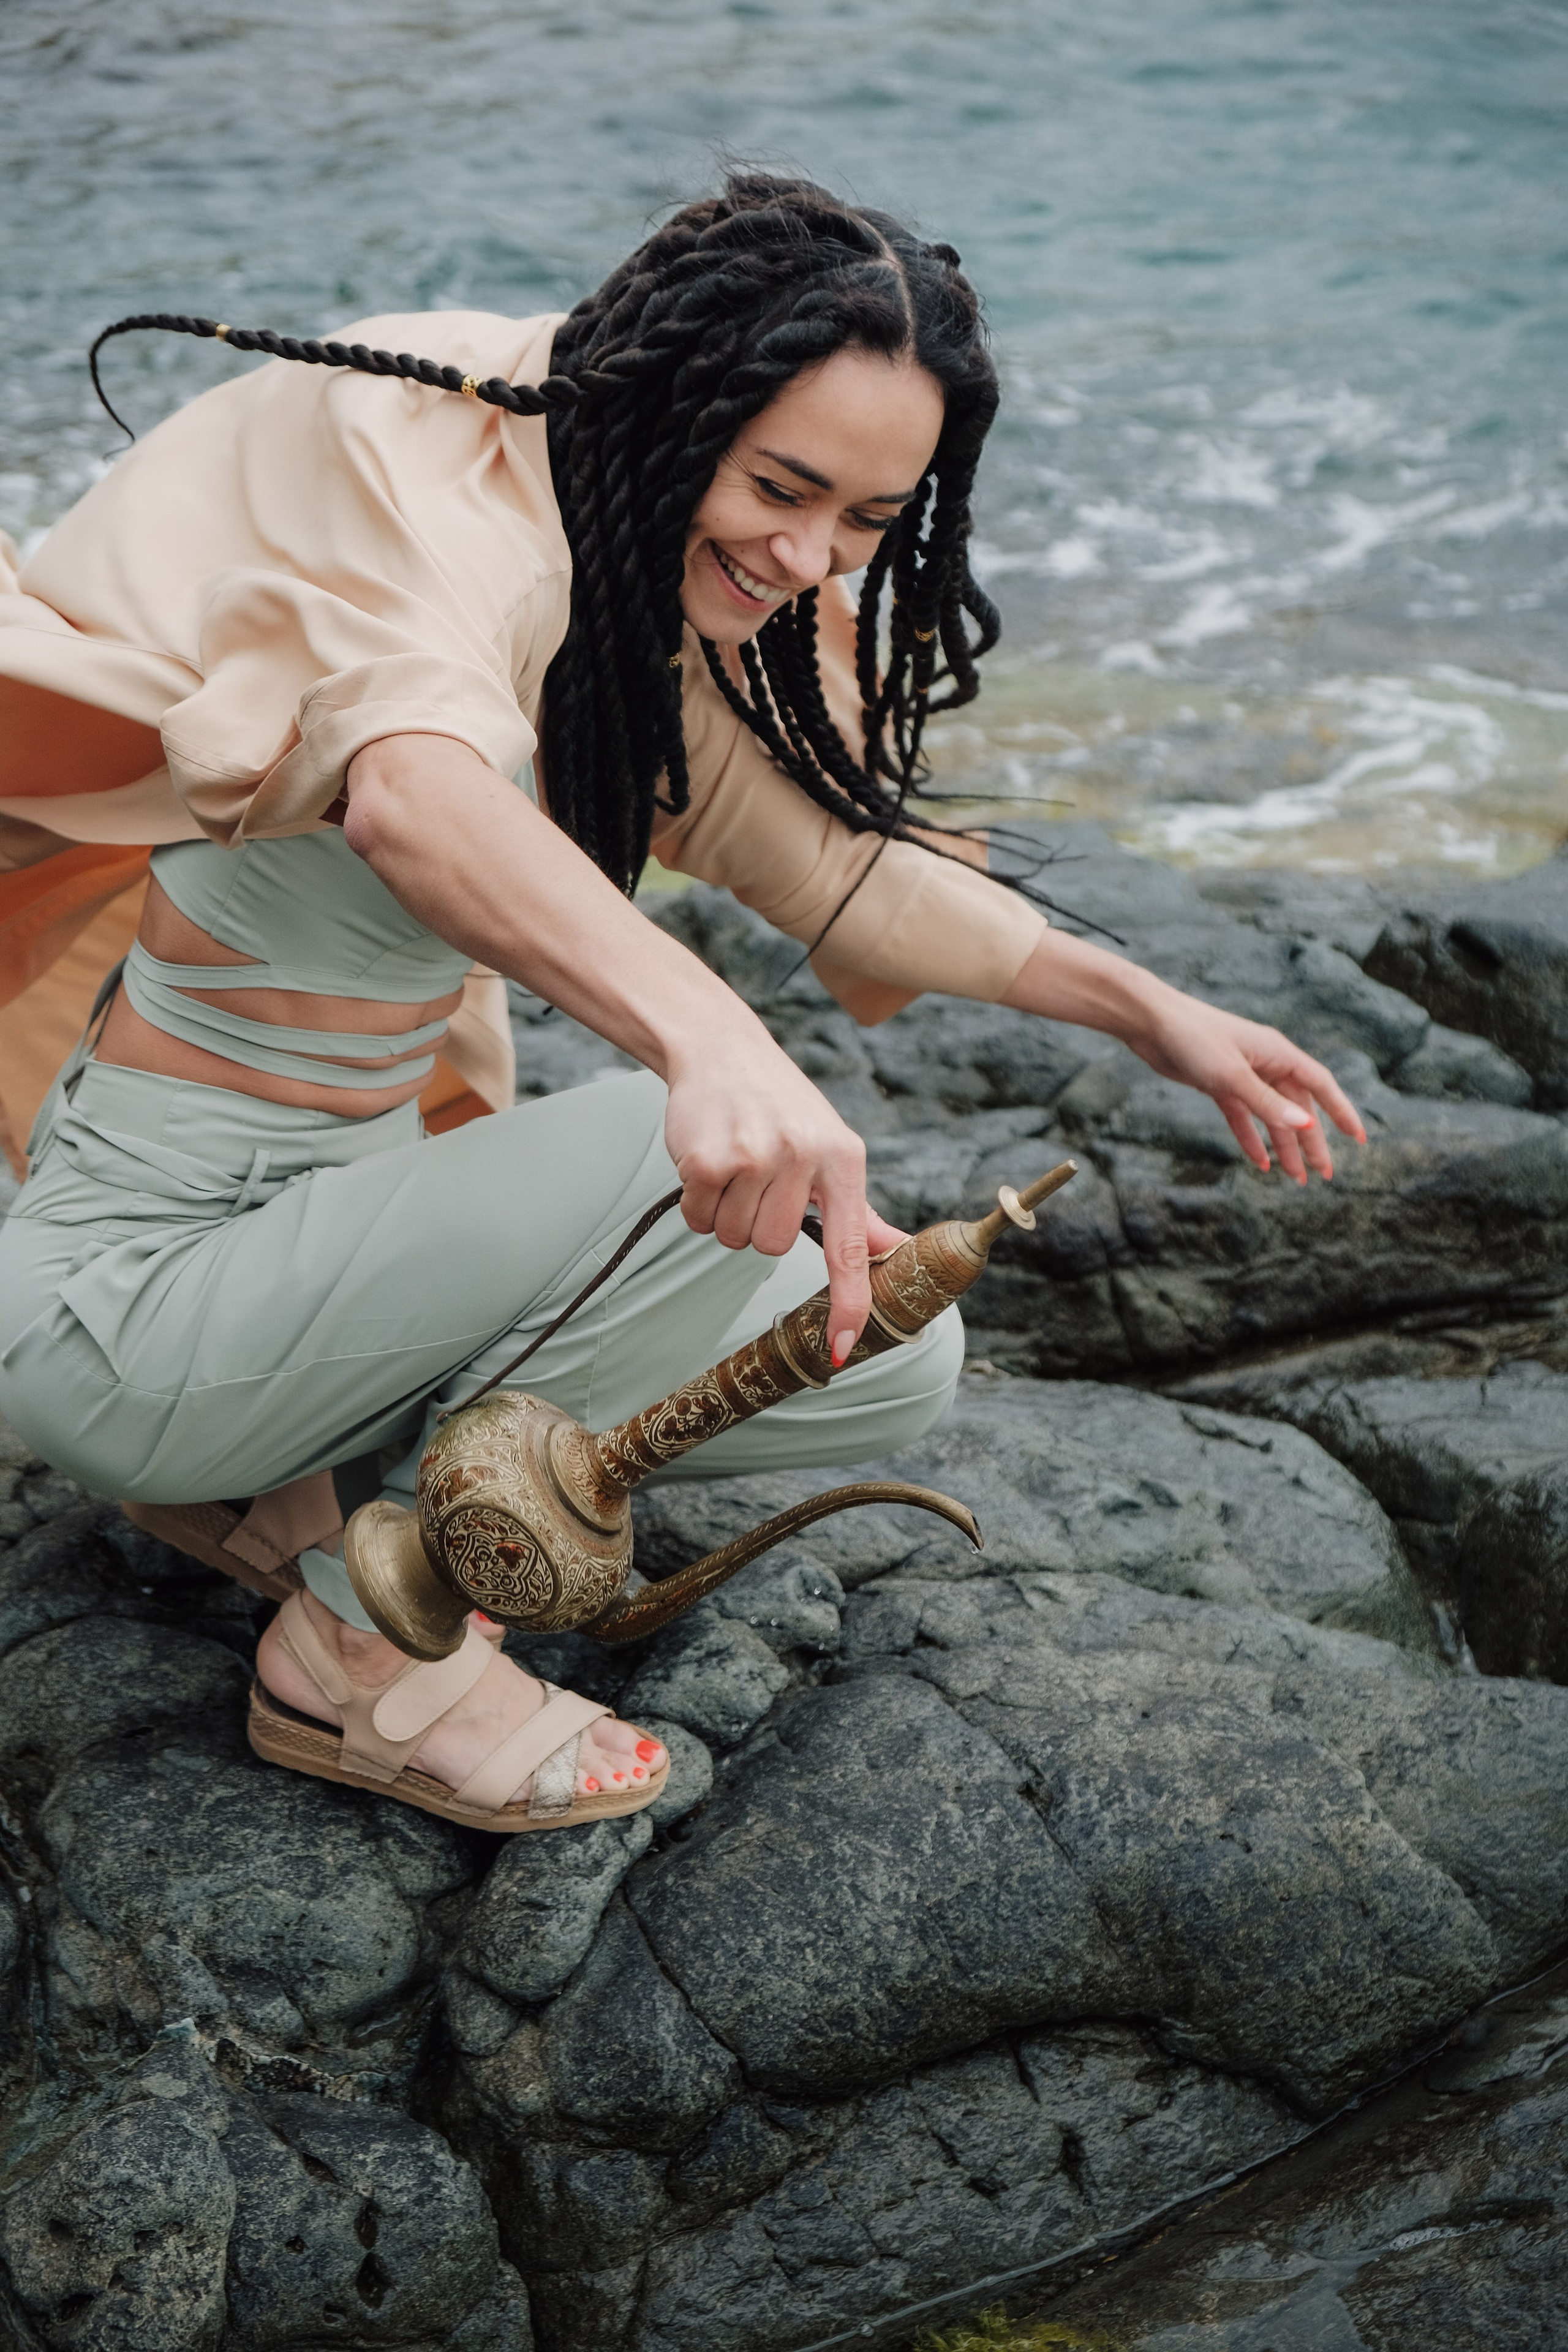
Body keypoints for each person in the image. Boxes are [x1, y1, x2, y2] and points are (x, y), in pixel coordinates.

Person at [0, 173, 1363, 1834]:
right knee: (667, 1154)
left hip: (310, 1280)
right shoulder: (434, 537)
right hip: (123, 1302)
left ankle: (287, 1486)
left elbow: (841, 877)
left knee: (876, 1351)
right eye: (783, 486)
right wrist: (712, 1040)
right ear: (668, 404)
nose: (809, 560)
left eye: (868, 521)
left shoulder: (620, 615)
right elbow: (413, 799)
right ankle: (357, 1648)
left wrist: (1155, 1012)